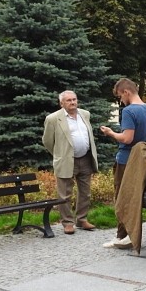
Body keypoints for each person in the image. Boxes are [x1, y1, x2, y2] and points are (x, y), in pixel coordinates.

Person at [99, 78, 146, 248]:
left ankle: (122, 236)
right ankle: (128, 235)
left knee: (122, 197)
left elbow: (127, 138)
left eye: (120, 96)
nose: (121, 100)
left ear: (126, 92)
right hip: (143, 159)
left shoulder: (128, 111)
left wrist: (111, 133)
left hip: (126, 160)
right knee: (135, 197)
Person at [42, 90, 100, 235]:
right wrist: (60, 154)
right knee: (65, 194)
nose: (73, 102)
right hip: (67, 160)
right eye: (68, 100)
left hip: (85, 158)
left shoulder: (84, 114)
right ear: (61, 103)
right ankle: (67, 223)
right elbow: (48, 141)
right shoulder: (53, 119)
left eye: (74, 99)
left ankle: (82, 219)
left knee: (85, 192)